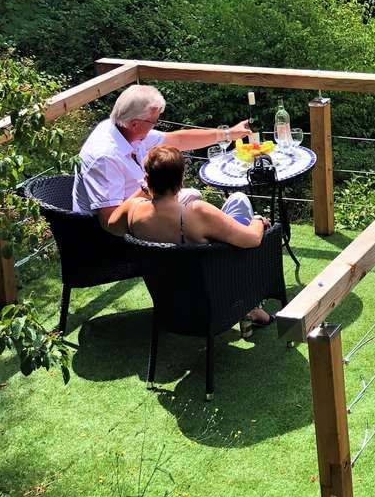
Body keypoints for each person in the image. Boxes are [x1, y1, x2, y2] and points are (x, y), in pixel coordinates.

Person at [108, 145, 275, 327]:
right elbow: (253, 239)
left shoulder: (132, 209)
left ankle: (251, 310)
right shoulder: (196, 212)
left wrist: (143, 191)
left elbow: (112, 227)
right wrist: (258, 220)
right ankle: (251, 307)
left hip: (168, 296)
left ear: (147, 179)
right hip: (213, 294)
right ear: (181, 178)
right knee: (239, 200)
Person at [72, 83, 251, 229]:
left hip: (146, 203)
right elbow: (110, 222)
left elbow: (178, 140)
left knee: (193, 196)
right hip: (124, 233)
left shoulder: (123, 129)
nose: (156, 125)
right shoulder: (105, 157)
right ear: (134, 124)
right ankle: (232, 236)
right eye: (154, 121)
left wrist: (228, 134)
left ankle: (224, 233)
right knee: (229, 205)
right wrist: (148, 188)